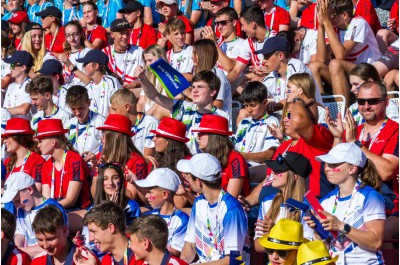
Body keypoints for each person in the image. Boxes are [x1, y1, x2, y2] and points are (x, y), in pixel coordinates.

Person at [305, 143, 386, 264]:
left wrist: (341, 226)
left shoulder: (370, 197)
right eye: (327, 164)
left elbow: (376, 242)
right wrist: (318, 230)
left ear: (352, 168)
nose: (326, 168)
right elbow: (325, 246)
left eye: (334, 164)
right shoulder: (327, 200)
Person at [328, 81, 399, 211]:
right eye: (361, 101)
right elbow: (331, 170)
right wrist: (337, 137)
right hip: (349, 198)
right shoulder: (354, 131)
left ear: (386, 102)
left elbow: (386, 172)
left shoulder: (395, 130)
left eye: (373, 101)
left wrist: (356, 144)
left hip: (383, 200)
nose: (366, 106)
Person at [136, 68, 230, 155]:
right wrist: (143, 78)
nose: (194, 91)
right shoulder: (184, 107)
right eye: (193, 87)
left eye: (200, 87)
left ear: (212, 92)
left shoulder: (221, 117)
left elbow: (224, 148)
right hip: (183, 161)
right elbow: (154, 96)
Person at [178, 153, 249, 264]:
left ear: (198, 181)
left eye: (188, 175)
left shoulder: (232, 210)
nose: (186, 178)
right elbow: (190, 245)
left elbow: (233, 260)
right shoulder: (198, 203)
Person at [308, 0, 381, 101]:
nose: (328, 17)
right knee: (314, 66)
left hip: (368, 71)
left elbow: (341, 55)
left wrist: (327, 24)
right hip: (350, 73)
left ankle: (342, 113)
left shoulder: (359, 23)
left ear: (344, 15)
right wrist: (321, 26)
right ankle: (323, 107)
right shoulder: (333, 27)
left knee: (335, 64)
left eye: (331, 14)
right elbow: (321, 59)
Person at [254, 152, 311, 253]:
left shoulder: (307, 208)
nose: (273, 173)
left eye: (279, 170)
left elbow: (308, 247)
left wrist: (276, 232)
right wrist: (272, 235)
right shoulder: (267, 202)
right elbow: (258, 246)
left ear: (294, 176)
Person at [1, 172, 68, 257]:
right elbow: (19, 235)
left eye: (18, 200)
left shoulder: (53, 208)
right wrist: (18, 254)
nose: (17, 206)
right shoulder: (21, 210)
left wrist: (18, 252)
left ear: (30, 189)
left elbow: (52, 244)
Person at [37, 119, 92, 212]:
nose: (38, 145)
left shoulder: (74, 160)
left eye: (40, 141)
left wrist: (49, 211)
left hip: (79, 210)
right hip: (56, 210)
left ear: (53, 142)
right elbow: (46, 199)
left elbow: (71, 200)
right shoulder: (46, 165)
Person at [135, 168, 189, 257]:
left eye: (150, 192)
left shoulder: (182, 220)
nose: (146, 196)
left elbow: (175, 252)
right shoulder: (147, 216)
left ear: (165, 194)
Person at [193, 114, 250, 197]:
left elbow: (231, 198)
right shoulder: (206, 158)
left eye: (202, 133)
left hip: (232, 207)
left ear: (213, 137)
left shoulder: (235, 159)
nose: (198, 137)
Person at [94, 114, 148, 199]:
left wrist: (111, 170)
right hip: (105, 206)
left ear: (116, 137)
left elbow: (131, 196)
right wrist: (100, 172)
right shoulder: (101, 156)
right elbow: (94, 194)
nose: (101, 138)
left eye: (104, 135)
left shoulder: (136, 161)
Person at [256, 36, 322, 104]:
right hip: (289, 113)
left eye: (266, 56)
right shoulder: (272, 75)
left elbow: (299, 97)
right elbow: (257, 96)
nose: (263, 61)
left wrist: (276, 106)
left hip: (312, 112)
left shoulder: (296, 66)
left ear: (281, 55)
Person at [73, 201, 140, 265]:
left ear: (111, 228)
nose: (91, 239)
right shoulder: (106, 260)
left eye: (94, 231)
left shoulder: (142, 253)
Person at [234, 81, 280, 166]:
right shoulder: (244, 122)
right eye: (246, 105)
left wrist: (242, 156)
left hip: (258, 167)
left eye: (253, 105)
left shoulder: (272, 122)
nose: (249, 110)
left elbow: (269, 154)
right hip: (239, 164)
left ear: (265, 102)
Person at [109, 88, 158, 158]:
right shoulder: (118, 126)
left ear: (127, 107)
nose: (113, 114)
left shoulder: (150, 123)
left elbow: (147, 159)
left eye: (115, 109)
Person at [226, 6, 268, 84]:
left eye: (243, 25)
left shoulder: (274, 39)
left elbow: (280, 69)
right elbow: (236, 71)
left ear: (253, 24)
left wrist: (265, 72)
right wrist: (221, 83)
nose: (242, 29)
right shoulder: (248, 42)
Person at [76, 49, 122, 117]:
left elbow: (115, 110)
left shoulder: (111, 82)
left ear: (96, 66)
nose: (83, 66)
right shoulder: (88, 87)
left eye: (85, 63)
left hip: (108, 125)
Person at [192, 39, 232, 117]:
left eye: (195, 53)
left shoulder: (217, 73)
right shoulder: (198, 73)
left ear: (202, 54)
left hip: (217, 121)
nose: (192, 57)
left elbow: (217, 105)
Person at [2, 118, 44, 189]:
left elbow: (36, 193)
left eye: (7, 137)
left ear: (18, 138)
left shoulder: (37, 161)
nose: (4, 141)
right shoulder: (7, 162)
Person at [202, 7, 245, 76]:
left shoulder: (242, 43)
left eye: (223, 23)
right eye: (217, 23)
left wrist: (214, 43)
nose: (219, 27)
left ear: (234, 23)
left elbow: (229, 67)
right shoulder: (218, 43)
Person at [102, 19, 144, 87]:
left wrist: (135, 84)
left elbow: (148, 77)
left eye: (127, 33)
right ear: (112, 34)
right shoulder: (104, 53)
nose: (125, 36)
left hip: (133, 90)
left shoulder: (138, 51)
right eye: (121, 33)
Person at [65, 85, 105, 155]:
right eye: (73, 109)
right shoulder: (69, 124)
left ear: (88, 103)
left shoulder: (101, 122)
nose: (77, 113)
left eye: (81, 108)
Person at [137, 44, 170, 120]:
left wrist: (144, 119)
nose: (147, 64)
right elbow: (141, 102)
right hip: (146, 117)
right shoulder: (149, 77)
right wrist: (139, 117)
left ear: (161, 58)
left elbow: (160, 103)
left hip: (158, 119)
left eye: (150, 60)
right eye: (146, 61)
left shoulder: (169, 77)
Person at [56, 20, 91, 86]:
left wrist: (69, 64)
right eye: (68, 35)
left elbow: (90, 83)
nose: (72, 38)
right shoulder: (65, 56)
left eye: (75, 34)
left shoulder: (88, 53)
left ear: (81, 34)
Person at [3, 51, 33, 120]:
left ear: (23, 67)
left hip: (25, 127)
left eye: (12, 65)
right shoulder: (11, 86)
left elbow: (24, 109)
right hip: (10, 126)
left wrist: (4, 111)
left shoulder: (31, 85)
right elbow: (6, 108)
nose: (10, 68)